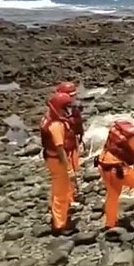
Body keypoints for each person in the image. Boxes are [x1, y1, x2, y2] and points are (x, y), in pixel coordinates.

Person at [40, 92, 80, 235]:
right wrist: (69, 169)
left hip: (51, 158)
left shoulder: (48, 119)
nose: (67, 111)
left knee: (59, 189)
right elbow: (60, 147)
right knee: (61, 193)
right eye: (65, 108)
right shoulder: (56, 125)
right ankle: (60, 225)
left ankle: (58, 217)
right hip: (58, 160)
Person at [55, 81, 85, 205]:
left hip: (73, 143)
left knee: (73, 170)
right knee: (66, 174)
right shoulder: (57, 113)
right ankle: (67, 200)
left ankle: (73, 193)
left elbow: (78, 125)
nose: (74, 97)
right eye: (71, 95)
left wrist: (81, 138)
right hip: (64, 147)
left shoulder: (73, 109)